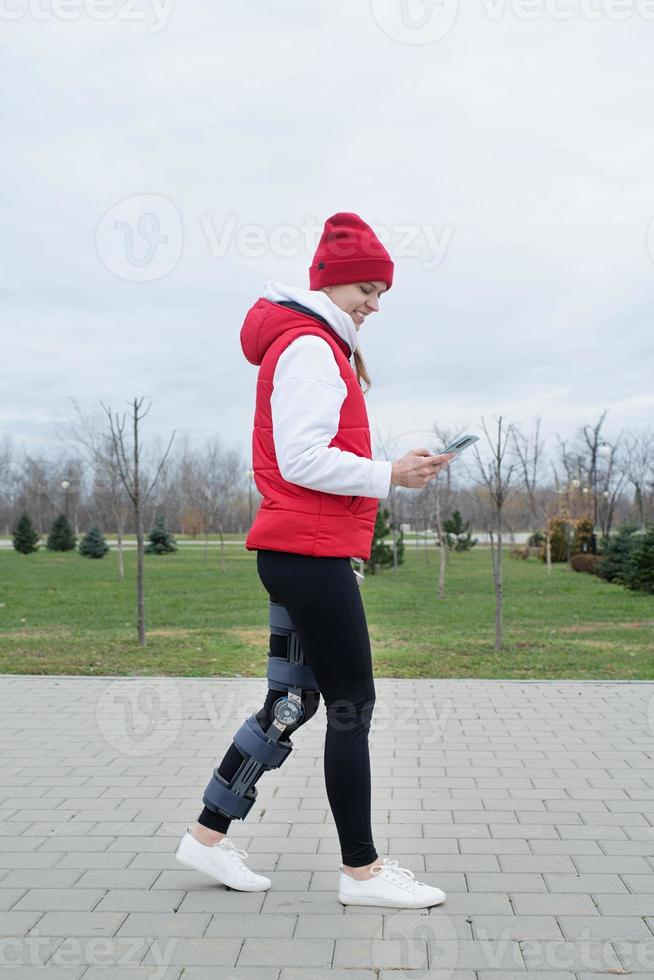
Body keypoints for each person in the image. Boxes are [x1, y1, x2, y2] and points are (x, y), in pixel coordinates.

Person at [175, 212, 455, 908]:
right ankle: (361, 873)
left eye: (382, 292)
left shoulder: (317, 343)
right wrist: (391, 473)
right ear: (330, 283)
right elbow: (301, 459)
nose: (376, 304)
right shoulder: (308, 347)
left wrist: (392, 471)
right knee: (352, 706)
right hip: (307, 554)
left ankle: (205, 837)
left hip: (298, 550)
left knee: (293, 701)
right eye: (367, 288)